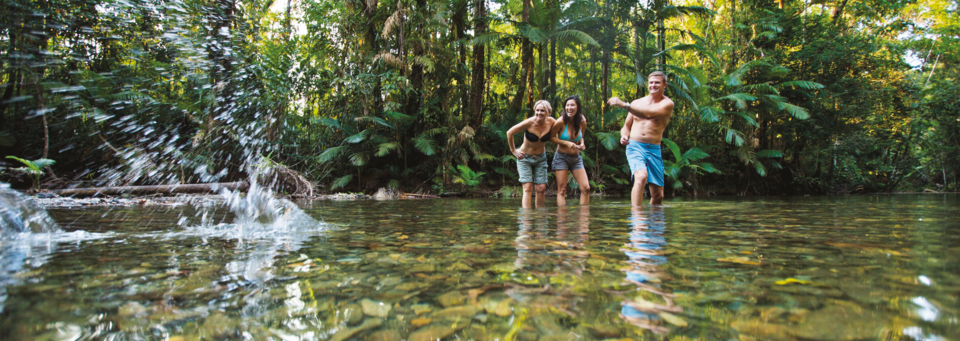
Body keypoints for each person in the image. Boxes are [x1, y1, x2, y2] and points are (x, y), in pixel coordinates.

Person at [608, 71, 674, 206]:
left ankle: (654, 223)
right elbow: (626, 126)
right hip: (635, 146)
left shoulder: (667, 104)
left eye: (657, 82)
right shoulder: (637, 103)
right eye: (651, 82)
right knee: (641, 176)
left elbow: (650, 115)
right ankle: (637, 220)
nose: (653, 85)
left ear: (664, 85)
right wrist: (624, 135)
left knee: (658, 196)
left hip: (654, 149)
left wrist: (625, 105)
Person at [507, 100, 557, 208]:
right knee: (527, 187)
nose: (539, 113)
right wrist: (514, 151)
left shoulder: (552, 122)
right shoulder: (529, 122)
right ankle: (526, 219)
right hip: (524, 157)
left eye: (542, 111)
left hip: (541, 158)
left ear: (548, 112)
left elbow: (562, 127)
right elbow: (509, 132)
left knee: (541, 188)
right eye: (537, 110)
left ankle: (540, 218)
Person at [550, 95, 590, 206]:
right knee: (562, 190)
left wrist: (582, 144)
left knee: (586, 188)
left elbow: (581, 136)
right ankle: (562, 221)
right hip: (561, 157)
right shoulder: (561, 122)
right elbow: (550, 137)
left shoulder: (582, 121)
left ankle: (583, 219)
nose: (569, 108)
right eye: (567, 105)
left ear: (577, 107)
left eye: (572, 105)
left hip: (576, 158)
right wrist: (566, 143)